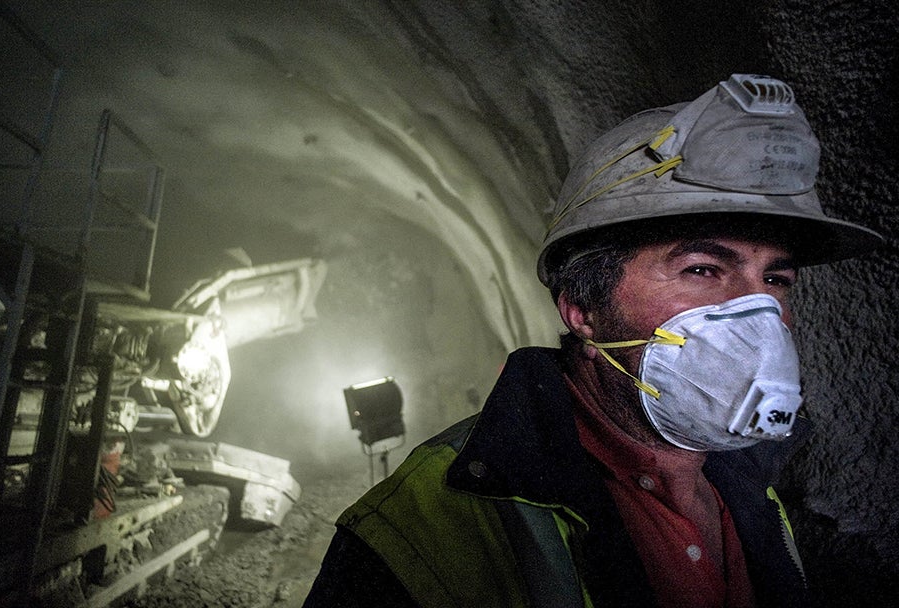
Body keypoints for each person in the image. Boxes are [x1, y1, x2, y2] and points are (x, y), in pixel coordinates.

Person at [302, 74, 883, 608]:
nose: (755, 311)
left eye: (776, 279)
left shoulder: (747, 474)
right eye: (702, 270)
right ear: (581, 308)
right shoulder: (425, 531)